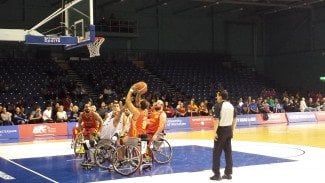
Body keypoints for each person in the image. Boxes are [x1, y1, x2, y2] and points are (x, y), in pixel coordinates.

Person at [210, 90, 237, 181]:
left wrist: (214, 133)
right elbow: (234, 120)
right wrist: (232, 130)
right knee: (228, 153)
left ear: (221, 96)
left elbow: (216, 120)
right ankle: (228, 173)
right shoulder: (231, 106)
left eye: (217, 96)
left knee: (216, 153)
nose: (216, 97)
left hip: (221, 130)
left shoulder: (218, 105)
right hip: (229, 129)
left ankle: (217, 174)